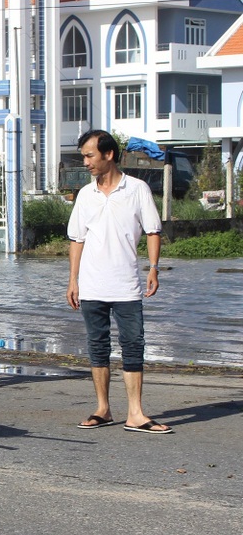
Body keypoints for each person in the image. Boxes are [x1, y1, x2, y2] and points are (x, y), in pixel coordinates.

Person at [66, 130, 172, 434]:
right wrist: (72, 280)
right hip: (91, 284)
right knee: (97, 346)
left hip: (126, 283)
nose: (86, 162)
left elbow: (153, 231)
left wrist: (153, 268)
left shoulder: (137, 189)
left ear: (108, 154)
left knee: (133, 345)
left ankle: (136, 413)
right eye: (84, 156)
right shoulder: (86, 194)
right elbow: (77, 239)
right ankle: (103, 408)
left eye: (89, 156)